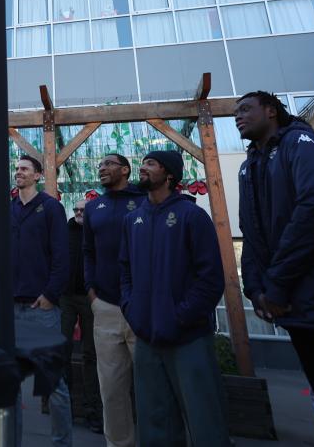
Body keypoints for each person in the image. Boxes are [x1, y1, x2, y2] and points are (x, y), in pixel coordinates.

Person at [234, 91, 314, 443]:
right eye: (235, 112)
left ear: (271, 111)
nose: (238, 116)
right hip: (289, 304)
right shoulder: (249, 163)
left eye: (246, 109)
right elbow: (248, 230)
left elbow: (313, 211)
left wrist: (276, 284)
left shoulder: (302, 143)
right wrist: (255, 289)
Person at [121, 150, 229, 446]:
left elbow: (211, 279)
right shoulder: (133, 220)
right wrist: (132, 309)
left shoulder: (192, 215)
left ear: (169, 174)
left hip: (188, 337)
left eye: (150, 164)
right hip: (146, 337)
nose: (142, 168)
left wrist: (180, 316)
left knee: (204, 420)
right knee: (154, 422)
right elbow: (125, 271)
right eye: (142, 163)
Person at [10, 155, 72, 447]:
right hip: (10, 308)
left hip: (41, 308)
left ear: (37, 175)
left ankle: (62, 443)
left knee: (53, 384)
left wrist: (50, 295)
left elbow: (62, 257)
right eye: (17, 168)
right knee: (9, 383)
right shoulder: (8, 209)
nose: (18, 172)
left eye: (24, 169)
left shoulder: (51, 208)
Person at [82, 153, 142, 447]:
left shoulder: (146, 200)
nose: (101, 167)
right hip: (105, 306)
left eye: (108, 163)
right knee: (112, 389)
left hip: (143, 308)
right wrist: (92, 292)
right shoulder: (94, 207)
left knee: (153, 385)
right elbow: (88, 253)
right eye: (100, 164)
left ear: (125, 170)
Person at [61, 199, 103, 434]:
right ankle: (64, 406)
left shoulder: (96, 232)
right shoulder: (65, 232)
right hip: (66, 297)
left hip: (89, 297)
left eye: (82, 210)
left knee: (91, 354)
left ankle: (92, 410)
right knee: (63, 350)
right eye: (76, 210)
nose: (78, 213)